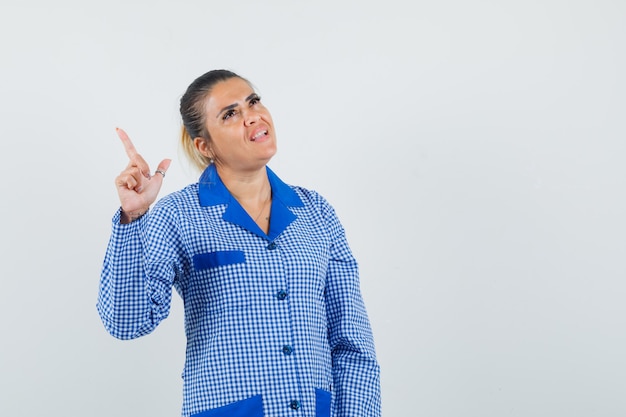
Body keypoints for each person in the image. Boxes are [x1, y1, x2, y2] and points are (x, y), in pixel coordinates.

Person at [97, 69, 381, 417]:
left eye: (253, 101)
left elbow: (352, 341)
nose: (252, 117)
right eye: (230, 114)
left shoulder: (316, 212)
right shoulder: (179, 216)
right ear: (205, 145)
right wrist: (134, 218)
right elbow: (127, 322)